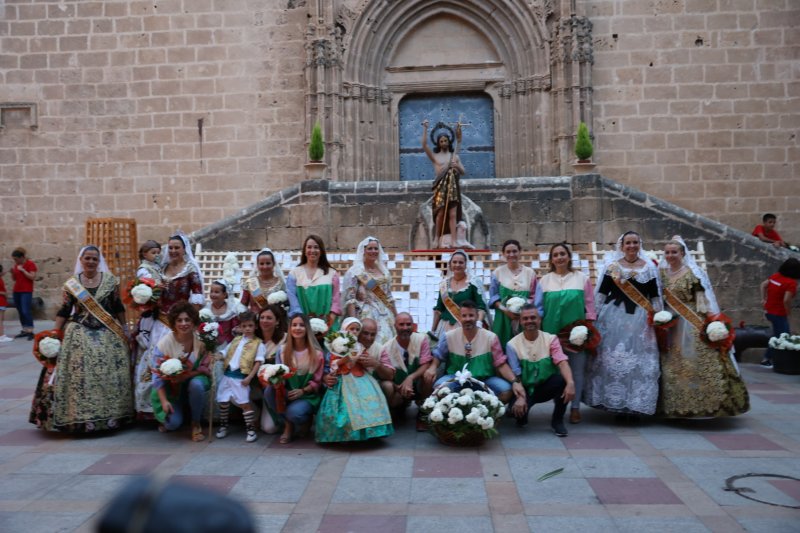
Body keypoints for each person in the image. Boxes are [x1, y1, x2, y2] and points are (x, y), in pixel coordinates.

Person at [29, 246, 133, 432]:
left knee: (109, 372)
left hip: (108, 331)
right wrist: (55, 333)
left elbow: (117, 307)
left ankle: (112, 417)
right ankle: (79, 419)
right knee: (78, 374)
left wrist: (125, 329)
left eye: (94, 259)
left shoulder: (110, 281)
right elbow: (65, 309)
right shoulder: (72, 284)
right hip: (79, 331)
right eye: (88, 258)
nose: (91, 262)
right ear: (81, 260)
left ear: (99, 261)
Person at [658, 237, 749, 417]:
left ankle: (706, 405)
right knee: (673, 363)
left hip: (691, 323)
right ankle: (675, 405)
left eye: (674, 252)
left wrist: (711, 322)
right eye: (667, 252)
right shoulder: (661, 274)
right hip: (670, 323)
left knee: (695, 359)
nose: (670, 255)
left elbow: (701, 302)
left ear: (682, 253)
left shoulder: (692, 274)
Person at [585, 231, 662, 419]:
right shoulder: (612, 267)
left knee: (638, 359)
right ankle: (613, 402)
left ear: (640, 244)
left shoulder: (649, 268)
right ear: (622, 245)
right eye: (628, 243)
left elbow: (655, 296)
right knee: (612, 359)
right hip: (613, 319)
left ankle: (635, 402)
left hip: (641, 320)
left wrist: (660, 318)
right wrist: (592, 318)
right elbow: (601, 294)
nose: (632, 246)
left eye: (635, 242)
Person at [134, 233, 204, 417]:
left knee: (179, 362)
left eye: (176, 248)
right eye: (170, 248)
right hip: (160, 323)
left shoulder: (190, 270)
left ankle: (180, 407)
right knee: (155, 362)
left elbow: (197, 299)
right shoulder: (160, 268)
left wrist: (189, 323)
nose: (173, 251)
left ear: (183, 249)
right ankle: (154, 409)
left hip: (181, 324)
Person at [536, 243, 596, 424]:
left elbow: (590, 306)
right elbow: (538, 308)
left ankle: (575, 408)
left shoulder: (581, 278)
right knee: (556, 372)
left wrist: (588, 329)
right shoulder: (544, 281)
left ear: (569, 257)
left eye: (563, 254)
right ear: (551, 260)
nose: (560, 257)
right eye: (556, 255)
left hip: (576, 335)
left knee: (577, 371)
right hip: (552, 334)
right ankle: (559, 408)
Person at [315, 317, 394, 443]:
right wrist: (344, 360)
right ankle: (344, 434)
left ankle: (370, 432)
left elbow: (388, 372)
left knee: (367, 401)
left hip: (360, 377)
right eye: (352, 329)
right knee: (345, 405)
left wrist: (372, 362)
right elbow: (331, 363)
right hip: (342, 377)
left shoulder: (363, 346)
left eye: (357, 329)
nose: (355, 332)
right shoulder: (336, 343)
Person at [426, 300, 515, 403]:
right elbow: (438, 356)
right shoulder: (449, 336)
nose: (467, 319)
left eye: (471, 315)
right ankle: (455, 414)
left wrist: (515, 381)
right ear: (459, 317)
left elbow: (501, 363)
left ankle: (484, 412)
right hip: (455, 378)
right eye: (464, 316)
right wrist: (432, 368)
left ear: (477, 316)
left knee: (506, 391)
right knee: (439, 390)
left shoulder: (490, 337)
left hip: (484, 379)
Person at [506, 305, 575, 437]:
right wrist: (521, 398)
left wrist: (571, 382)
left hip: (545, 386)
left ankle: (557, 421)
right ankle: (517, 411)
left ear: (539, 320)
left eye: (533, 317)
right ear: (520, 322)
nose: (529, 321)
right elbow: (516, 375)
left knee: (563, 381)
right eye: (525, 318)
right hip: (525, 388)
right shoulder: (512, 344)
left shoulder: (551, 339)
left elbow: (562, 362)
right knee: (519, 417)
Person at [150, 302, 211, 441]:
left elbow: (206, 369)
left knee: (196, 385)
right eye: (179, 320)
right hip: (172, 389)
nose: (184, 323)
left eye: (187, 319)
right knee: (173, 425)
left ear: (193, 321)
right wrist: (164, 401)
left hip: (194, 382)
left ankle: (196, 422)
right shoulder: (164, 344)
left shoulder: (202, 341)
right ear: (173, 322)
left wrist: (187, 375)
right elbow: (156, 376)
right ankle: (177, 415)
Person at [263, 313, 324, 444]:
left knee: (294, 413)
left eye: (302, 325)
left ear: (307, 329)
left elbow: (317, 382)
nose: (297, 328)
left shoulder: (317, 354)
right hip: (287, 391)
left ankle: (305, 418)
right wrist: (277, 382)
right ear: (290, 328)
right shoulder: (283, 350)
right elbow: (279, 373)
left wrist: (303, 391)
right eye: (294, 325)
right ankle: (288, 425)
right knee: (269, 391)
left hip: (306, 394)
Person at [216, 312, 265, 442]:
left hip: (240, 377)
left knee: (244, 403)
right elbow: (226, 351)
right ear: (240, 327)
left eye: (250, 325)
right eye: (244, 326)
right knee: (223, 401)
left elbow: (258, 362)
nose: (247, 328)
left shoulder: (258, 343)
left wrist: (249, 377)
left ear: (255, 327)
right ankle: (223, 426)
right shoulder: (236, 340)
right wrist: (219, 355)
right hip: (227, 375)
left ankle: (250, 429)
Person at [379, 312, 434, 430]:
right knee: (387, 386)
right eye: (401, 324)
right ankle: (397, 408)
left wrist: (410, 378)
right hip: (399, 388)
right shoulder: (386, 348)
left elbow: (426, 364)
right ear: (395, 326)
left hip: (418, 384)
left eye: (408, 324)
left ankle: (423, 413)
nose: (405, 328)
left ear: (413, 326)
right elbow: (386, 376)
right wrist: (398, 387)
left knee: (429, 376)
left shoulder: (422, 339)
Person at [422, 119, 469, 249]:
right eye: (441, 141)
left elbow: (463, 171)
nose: (443, 143)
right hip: (441, 187)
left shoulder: (454, 156)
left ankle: (454, 240)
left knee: (453, 214)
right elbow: (424, 145)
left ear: (449, 142)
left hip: (452, 187)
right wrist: (425, 128)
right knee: (441, 213)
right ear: (438, 143)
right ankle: (437, 238)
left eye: (446, 140)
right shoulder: (435, 156)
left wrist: (456, 167)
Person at [342, 236, 397, 347]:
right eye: (370, 249)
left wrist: (396, 316)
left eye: (376, 249)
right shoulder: (356, 271)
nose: (373, 251)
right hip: (366, 313)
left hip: (386, 314)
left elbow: (388, 296)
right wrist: (353, 322)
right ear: (363, 250)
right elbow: (350, 299)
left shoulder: (383, 270)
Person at [489, 239, 538, 350]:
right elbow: (493, 297)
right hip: (503, 318)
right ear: (504, 254)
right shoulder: (497, 273)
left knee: (524, 349)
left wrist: (522, 309)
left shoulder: (530, 273)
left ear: (520, 252)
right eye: (508, 252)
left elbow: (534, 296)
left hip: (525, 318)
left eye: (515, 251)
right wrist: (506, 310)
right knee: (502, 348)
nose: (511, 254)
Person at [287, 235, 342, 329]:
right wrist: (302, 322)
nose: (312, 250)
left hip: (327, 325)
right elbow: (293, 300)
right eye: (309, 247)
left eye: (316, 247)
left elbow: (335, 301)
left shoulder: (332, 274)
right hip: (302, 325)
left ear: (321, 251)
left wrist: (329, 323)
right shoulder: (294, 274)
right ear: (304, 250)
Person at [431, 250, 487, 339]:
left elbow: (481, 307)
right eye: (454, 262)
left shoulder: (473, 283)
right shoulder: (444, 284)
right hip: (444, 327)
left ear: (465, 265)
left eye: (461, 262)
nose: (457, 265)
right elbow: (438, 310)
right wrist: (433, 331)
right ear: (450, 264)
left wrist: (478, 323)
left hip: (466, 326)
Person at [760, 257, 800, 367]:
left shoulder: (776, 276)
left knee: (778, 335)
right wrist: (789, 313)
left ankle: (768, 358)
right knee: (782, 337)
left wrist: (763, 299)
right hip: (779, 313)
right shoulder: (791, 283)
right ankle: (767, 359)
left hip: (769, 310)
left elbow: (763, 285)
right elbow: (786, 300)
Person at [240, 248, 287, 312]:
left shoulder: (281, 283)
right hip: (254, 320)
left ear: (273, 264)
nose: (265, 267)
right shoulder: (251, 283)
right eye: (261, 264)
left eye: (268, 263)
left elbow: (286, 306)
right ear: (257, 265)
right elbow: (242, 306)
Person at [10, 247, 37, 340]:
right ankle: (25, 329)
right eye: (14, 260)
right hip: (17, 290)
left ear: (22, 257)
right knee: (20, 311)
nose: (15, 261)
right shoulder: (16, 265)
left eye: (16, 259)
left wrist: (23, 270)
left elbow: (32, 277)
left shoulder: (30, 264)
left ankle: (30, 330)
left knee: (26, 310)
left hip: (26, 291)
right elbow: (14, 279)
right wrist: (12, 273)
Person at [0, 265, 11, 342]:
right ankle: (1, 336)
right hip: (1, 301)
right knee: (0, 320)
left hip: (2, 301)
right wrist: (4, 293)